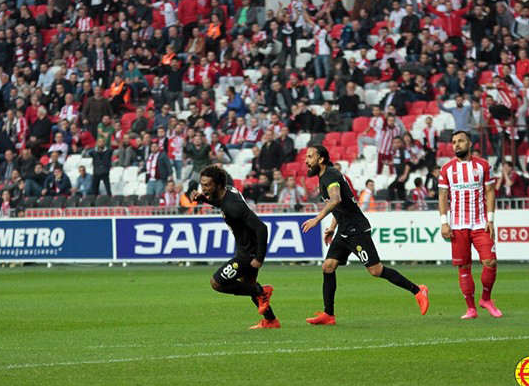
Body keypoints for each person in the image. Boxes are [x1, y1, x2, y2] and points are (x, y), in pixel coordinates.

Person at [301, 145, 429, 325]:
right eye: (306, 157)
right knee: (328, 266)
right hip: (343, 230)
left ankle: (418, 290)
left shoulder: (330, 175)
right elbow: (340, 206)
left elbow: (336, 199)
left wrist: (317, 219)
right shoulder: (325, 176)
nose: (306, 161)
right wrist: (331, 227)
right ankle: (328, 315)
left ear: (320, 159)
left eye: (309, 157)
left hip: (356, 229)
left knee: (376, 271)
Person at [189, 165, 279, 329]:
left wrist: (259, 257)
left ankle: (261, 292)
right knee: (248, 284)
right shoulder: (227, 193)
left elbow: (261, 228)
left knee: (216, 283)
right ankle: (270, 320)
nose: (203, 188)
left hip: (247, 254)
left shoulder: (234, 206)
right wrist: (202, 198)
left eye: (207, 185)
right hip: (247, 249)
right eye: (202, 185)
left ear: (217, 185)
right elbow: (217, 201)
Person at [438, 130, 502, 319]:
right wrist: (444, 223)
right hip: (458, 226)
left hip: (481, 223)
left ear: (470, 143)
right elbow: (443, 196)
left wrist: (490, 219)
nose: (456, 145)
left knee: (490, 261)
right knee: (463, 267)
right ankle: (471, 308)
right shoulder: (447, 169)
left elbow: (490, 191)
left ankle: (486, 299)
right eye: (454, 142)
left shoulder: (483, 166)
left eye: (460, 141)